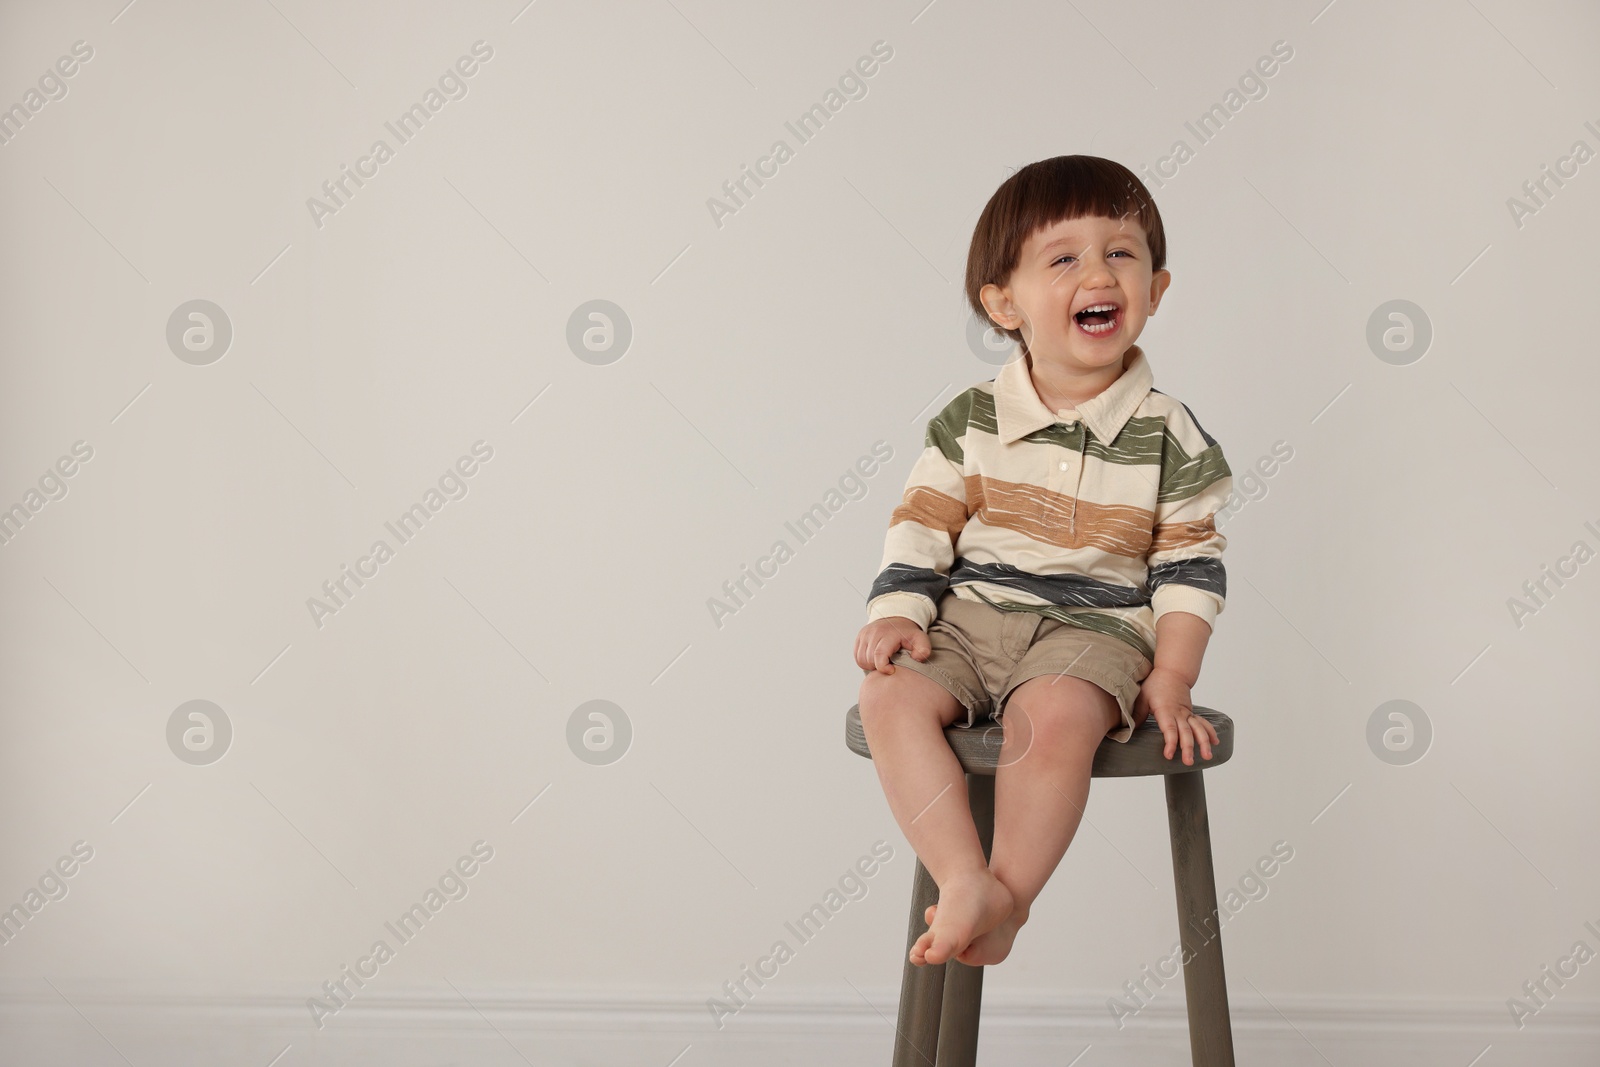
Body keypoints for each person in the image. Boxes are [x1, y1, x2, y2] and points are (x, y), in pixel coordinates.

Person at [854, 155, 1233, 969]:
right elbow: (922, 524)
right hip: (968, 620)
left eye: (1120, 253)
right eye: (1064, 258)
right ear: (1004, 302)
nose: (1098, 272)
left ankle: (1011, 895)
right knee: (888, 700)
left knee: (1052, 718)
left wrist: (1171, 677)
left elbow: (1190, 569)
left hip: (1093, 631)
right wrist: (898, 610)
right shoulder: (971, 418)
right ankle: (966, 878)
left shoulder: (1171, 433)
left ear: (1156, 290)